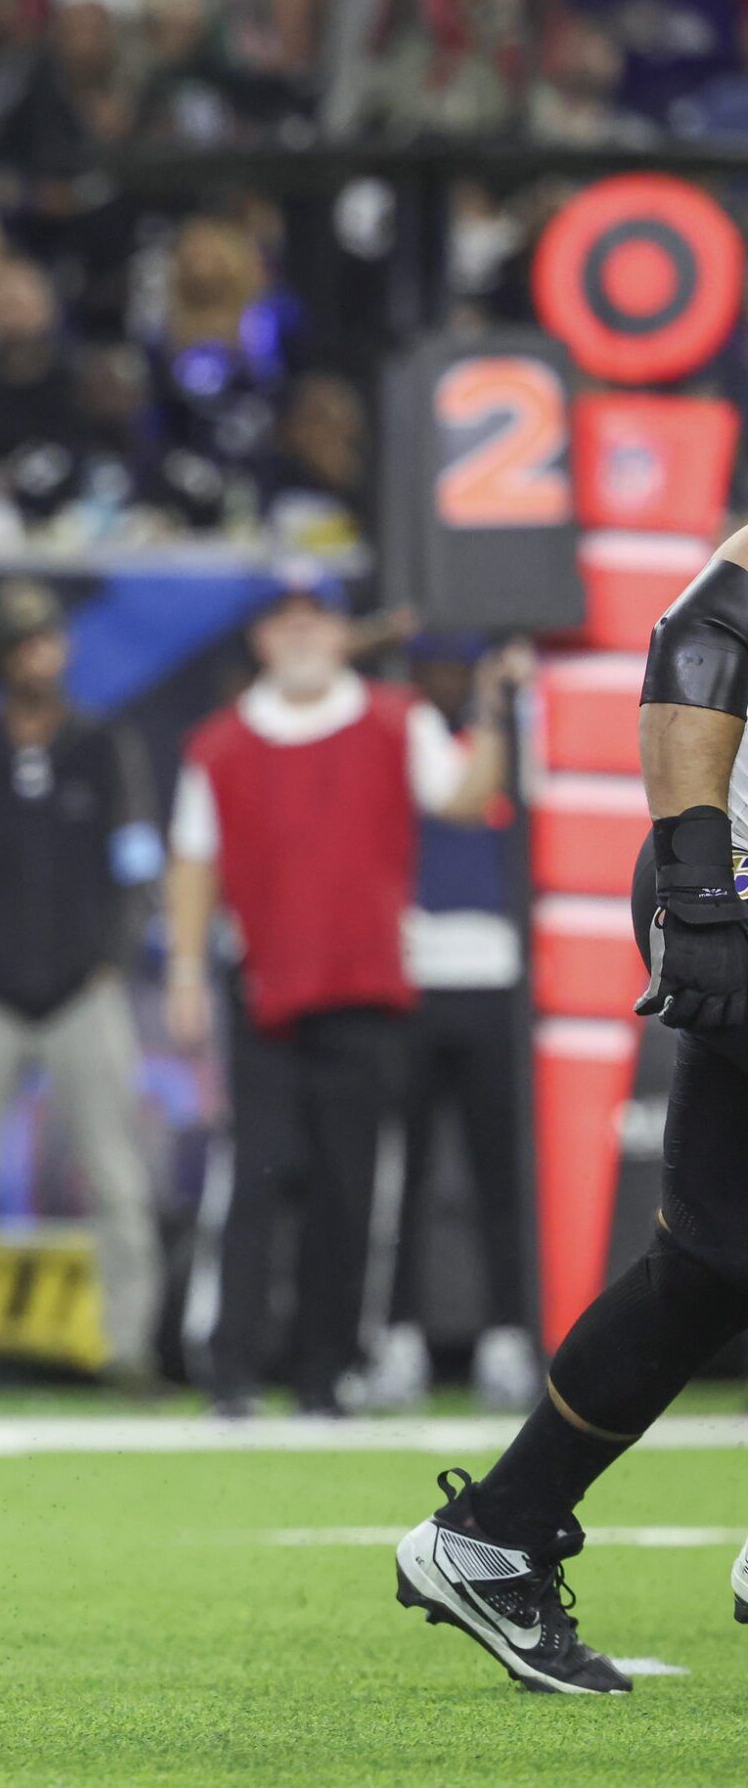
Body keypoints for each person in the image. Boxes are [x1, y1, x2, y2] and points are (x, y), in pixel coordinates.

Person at [393, 525, 748, 1695]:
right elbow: (703, 634)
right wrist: (698, 880)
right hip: (735, 884)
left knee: (707, 1261)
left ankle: (493, 1534)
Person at [166, 575, 518, 1418]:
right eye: (285, 620)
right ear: (262, 639)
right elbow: (193, 859)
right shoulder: (220, 745)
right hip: (266, 990)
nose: (300, 635)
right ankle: (232, 1370)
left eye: (313, 619)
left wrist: (498, 714)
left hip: (366, 991)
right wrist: (183, 967)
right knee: (253, 1184)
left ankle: (325, 1375)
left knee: (349, 1188)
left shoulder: (398, 721)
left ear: (335, 632)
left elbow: (468, 800)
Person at [0, 578, 164, 1392]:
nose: (38, 656)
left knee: (118, 1173)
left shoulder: (103, 749)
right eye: (22, 644)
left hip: (82, 990)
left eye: (47, 639)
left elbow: (136, 865)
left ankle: (129, 1346)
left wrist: (112, 958)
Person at [368, 635, 538, 1414]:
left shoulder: (518, 729)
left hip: (498, 976)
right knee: (401, 1174)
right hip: (411, 974)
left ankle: (509, 1337)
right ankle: (396, 1337)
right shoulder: (402, 733)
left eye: (455, 667)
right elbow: (458, 800)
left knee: (501, 1173)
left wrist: (510, 707)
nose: (441, 679)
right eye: (429, 666)